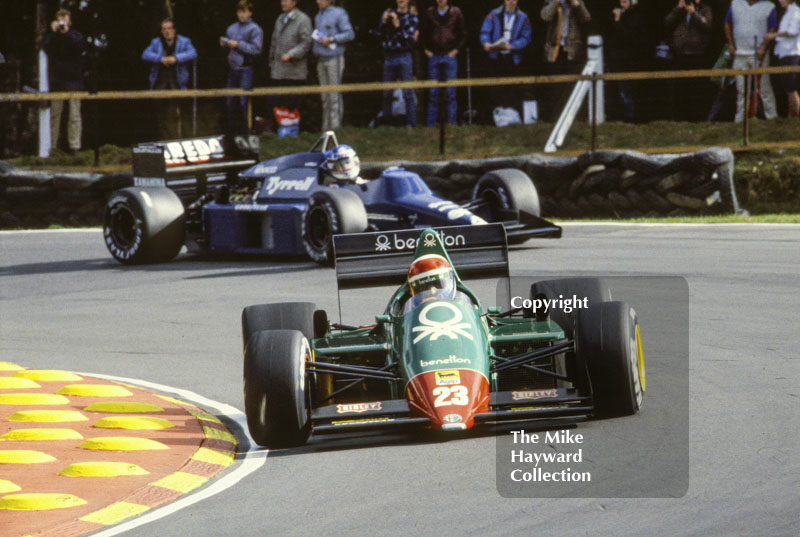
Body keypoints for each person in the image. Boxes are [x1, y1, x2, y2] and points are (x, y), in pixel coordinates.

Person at [142, 18, 197, 139]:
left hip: (178, 82)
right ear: (161, 31)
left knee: (180, 111)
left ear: (174, 30)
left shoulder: (184, 41)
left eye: (169, 29)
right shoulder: (155, 42)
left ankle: (182, 137)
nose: (167, 31)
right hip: (159, 82)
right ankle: (161, 138)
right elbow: (145, 54)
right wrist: (160, 59)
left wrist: (176, 58)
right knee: (158, 112)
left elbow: (193, 53)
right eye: (164, 29)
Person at [724, 0, 778, 122]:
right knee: (741, 90)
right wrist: (731, 45)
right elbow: (727, 24)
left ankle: (772, 119)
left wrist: (763, 47)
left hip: (758, 55)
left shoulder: (769, 6)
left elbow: (772, 28)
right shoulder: (735, 3)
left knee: (764, 88)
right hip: (740, 54)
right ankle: (740, 121)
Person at [479, 0, 532, 118]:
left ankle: (513, 117)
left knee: (512, 87)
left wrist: (513, 46)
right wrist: (486, 43)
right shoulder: (493, 14)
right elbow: (485, 31)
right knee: (495, 87)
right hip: (496, 57)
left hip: (513, 58)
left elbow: (526, 38)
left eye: (514, 0)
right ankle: (496, 117)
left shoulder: (523, 17)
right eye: (509, 0)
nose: (511, 2)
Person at [540, 0, 591, 122]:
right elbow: (545, 16)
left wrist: (577, 5)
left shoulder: (577, 2)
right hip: (555, 50)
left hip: (572, 50)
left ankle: (573, 116)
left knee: (571, 84)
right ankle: (553, 117)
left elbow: (586, 18)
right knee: (554, 84)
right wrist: (555, 2)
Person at [43, 8, 85, 154]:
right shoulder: (52, 37)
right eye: (60, 19)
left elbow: (79, 47)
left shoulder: (76, 35)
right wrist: (55, 33)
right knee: (55, 115)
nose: (62, 22)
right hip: (57, 82)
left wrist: (66, 32)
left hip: (74, 81)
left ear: (70, 21)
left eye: (65, 18)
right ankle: (53, 147)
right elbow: (46, 48)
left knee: (74, 115)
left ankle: (75, 146)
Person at [664, 0, 713, 122]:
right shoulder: (679, 9)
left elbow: (707, 25)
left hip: (697, 54)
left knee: (696, 88)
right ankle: (680, 119)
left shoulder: (705, 9)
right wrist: (678, 8)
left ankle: (696, 118)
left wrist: (694, 13)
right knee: (680, 88)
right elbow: (667, 23)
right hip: (680, 54)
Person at [420, 0, 467, 127]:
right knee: (433, 92)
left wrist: (456, 51)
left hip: (450, 56)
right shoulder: (429, 12)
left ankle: (451, 124)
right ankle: (431, 126)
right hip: (434, 56)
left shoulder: (456, 12)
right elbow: (422, 33)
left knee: (451, 92)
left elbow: (463, 34)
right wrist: (426, 50)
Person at [221, 0, 263, 135]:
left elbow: (256, 49)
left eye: (244, 12)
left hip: (246, 70)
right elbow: (228, 46)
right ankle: (232, 133)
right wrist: (225, 43)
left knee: (244, 102)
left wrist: (238, 45)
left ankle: (247, 132)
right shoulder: (231, 28)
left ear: (250, 13)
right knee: (230, 102)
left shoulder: (255, 29)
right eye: (239, 11)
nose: (241, 15)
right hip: (232, 69)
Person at [313, 0, 355, 132]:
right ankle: (325, 129)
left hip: (334, 58)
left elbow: (349, 34)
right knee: (324, 96)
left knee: (334, 95)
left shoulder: (339, 13)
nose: (318, 1)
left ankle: (336, 129)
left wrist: (331, 39)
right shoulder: (318, 16)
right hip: (321, 58)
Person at [268, 0, 312, 122]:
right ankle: (277, 135)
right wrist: (271, 62)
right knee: (275, 104)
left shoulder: (303, 19)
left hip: (294, 73)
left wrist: (291, 54)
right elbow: (274, 42)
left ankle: (292, 135)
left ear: (294, 2)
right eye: (282, 0)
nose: (283, 3)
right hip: (278, 72)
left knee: (292, 106)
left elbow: (306, 43)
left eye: (286, 0)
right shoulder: (279, 18)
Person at [379, 0, 419, 128]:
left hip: (404, 55)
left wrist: (397, 25)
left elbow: (408, 38)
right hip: (389, 56)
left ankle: (411, 124)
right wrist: (384, 23)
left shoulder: (412, 18)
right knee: (387, 92)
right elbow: (379, 34)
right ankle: (387, 124)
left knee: (408, 92)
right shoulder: (387, 14)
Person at [606, 0, 642, 122]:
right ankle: (615, 116)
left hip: (627, 59)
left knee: (626, 89)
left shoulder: (635, 16)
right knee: (616, 88)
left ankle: (629, 117)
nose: (622, 5)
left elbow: (627, 36)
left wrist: (618, 21)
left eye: (625, 2)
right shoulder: (617, 13)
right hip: (615, 58)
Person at [765, 0, 800, 117]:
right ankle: (791, 115)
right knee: (787, 88)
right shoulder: (787, 13)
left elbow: (793, 31)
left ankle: (795, 117)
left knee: (791, 88)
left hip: (791, 53)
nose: (780, 1)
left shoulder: (795, 12)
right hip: (784, 53)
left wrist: (773, 35)